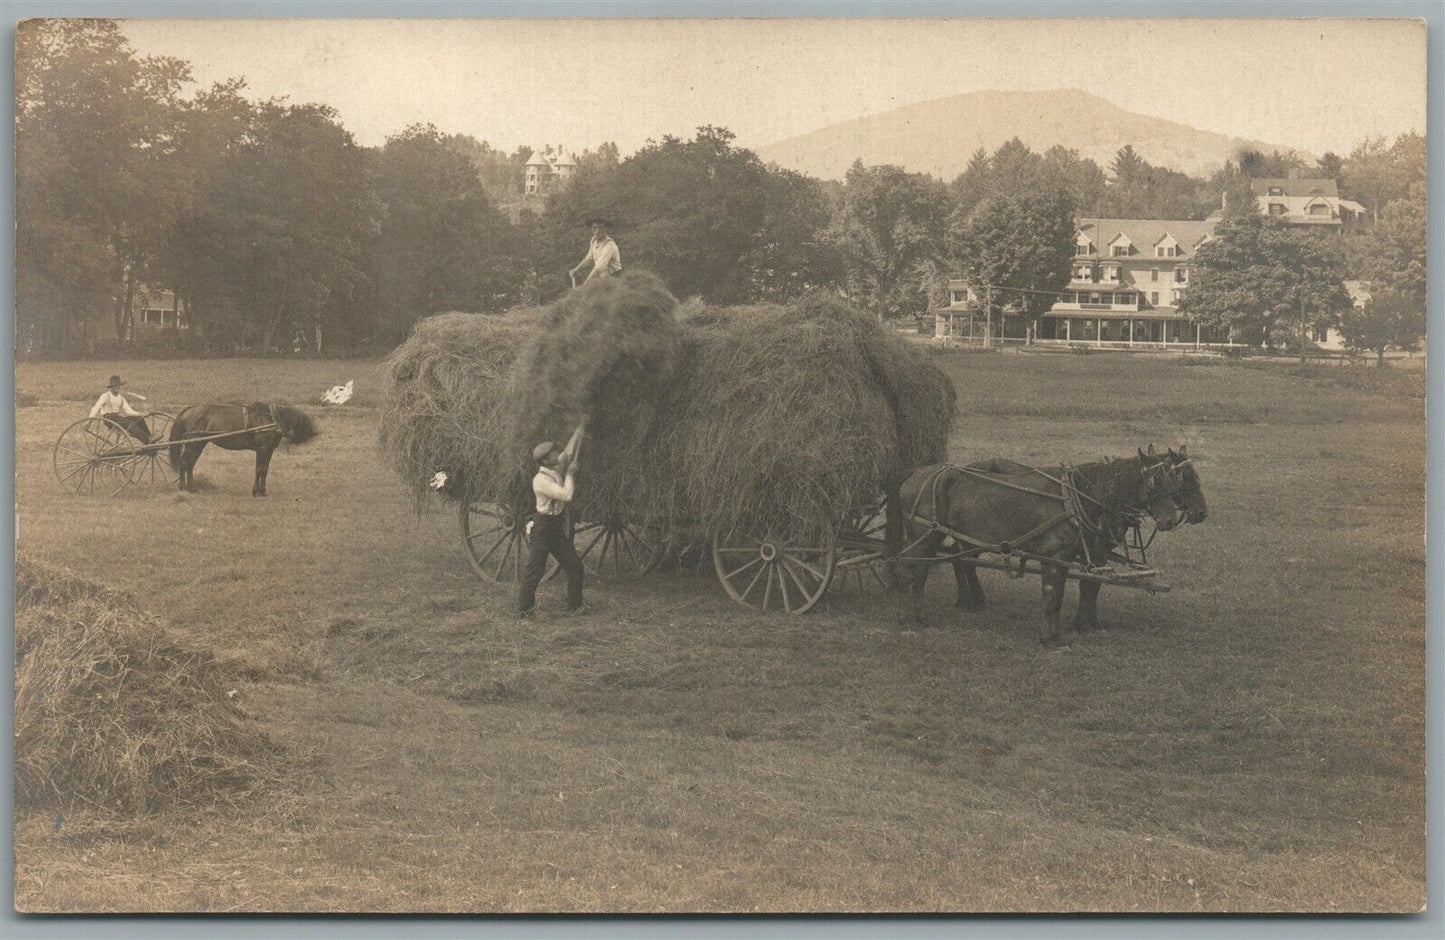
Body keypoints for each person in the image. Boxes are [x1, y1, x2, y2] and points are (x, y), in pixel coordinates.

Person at [518, 421, 587, 617]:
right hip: (542, 529)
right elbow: (566, 495)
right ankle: (525, 611)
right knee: (534, 573)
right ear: (546, 461)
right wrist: (571, 474)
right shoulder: (541, 481)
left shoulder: (555, 466)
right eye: (554, 454)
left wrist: (580, 428)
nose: (559, 455)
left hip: (555, 529)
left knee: (575, 566)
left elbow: (569, 452)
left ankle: (575, 607)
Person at [89, 374, 151, 442]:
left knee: (139, 419)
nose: (117, 387)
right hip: (109, 419)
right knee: (130, 424)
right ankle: (147, 440)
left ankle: (150, 438)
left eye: (118, 385)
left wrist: (141, 414)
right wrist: (89, 422)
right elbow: (96, 408)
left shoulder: (121, 398)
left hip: (118, 418)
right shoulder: (105, 396)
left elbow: (129, 411)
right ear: (111, 387)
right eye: (115, 386)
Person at [569, 217, 622, 285]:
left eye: (601, 228)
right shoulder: (594, 240)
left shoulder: (609, 245)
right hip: (602, 275)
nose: (597, 231)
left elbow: (598, 268)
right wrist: (576, 270)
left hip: (613, 276)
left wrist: (585, 286)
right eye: (594, 228)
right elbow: (588, 258)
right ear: (591, 229)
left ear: (606, 229)